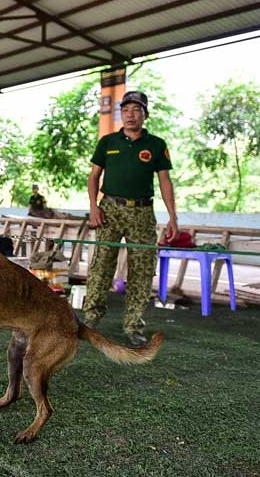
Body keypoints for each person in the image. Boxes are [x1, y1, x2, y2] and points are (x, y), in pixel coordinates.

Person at [84, 91, 178, 347]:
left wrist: (172, 217)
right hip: (110, 209)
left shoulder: (156, 144)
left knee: (142, 268)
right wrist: (93, 207)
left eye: (136, 110)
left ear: (145, 115)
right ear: (121, 114)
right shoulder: (107, 141)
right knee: (102, 263)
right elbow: (93, 177)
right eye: (126, 110)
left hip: (142, 212)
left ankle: (134, 325)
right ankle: (90, 319)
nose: (130, 114)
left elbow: (165, 181)